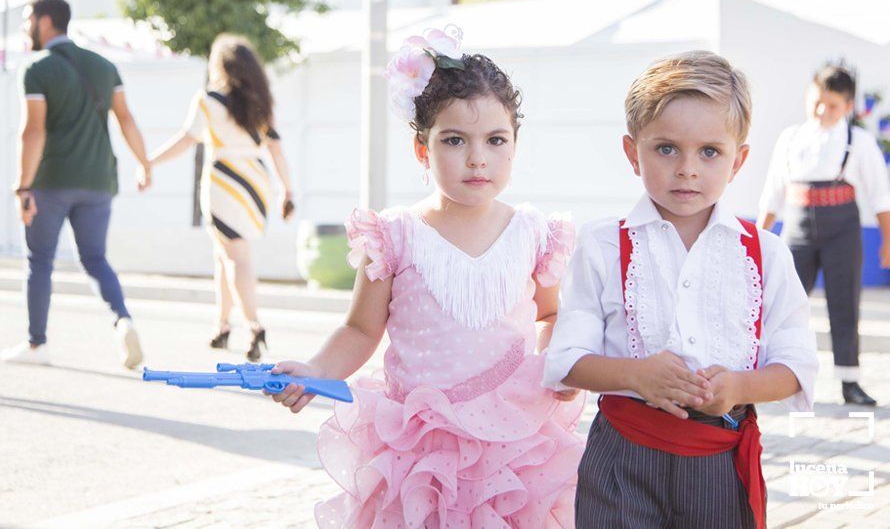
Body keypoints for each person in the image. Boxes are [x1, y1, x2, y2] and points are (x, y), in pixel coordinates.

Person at [268, 27, 585, 527]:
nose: (478, 157)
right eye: (455, 140)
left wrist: (558, 360)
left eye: (495, 140)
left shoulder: (534, 233)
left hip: (512, 437)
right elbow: (360, 330)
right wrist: (318, 370)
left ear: (515, 145)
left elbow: (549, 313)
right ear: (423, 149)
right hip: (419, 446)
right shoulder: (394, 235)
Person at [543, 51, 819, 529]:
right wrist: (636, 376)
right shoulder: (604, 244)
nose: (688, 169)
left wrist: (738, 386)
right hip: (621, 463)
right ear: (633, 153)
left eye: (709, 151)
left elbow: (797, 368)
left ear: (739, 160)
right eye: (666, 148)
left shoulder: (767, 255)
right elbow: (565, 361)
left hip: (718, 466)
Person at [1, 0, 151, 369]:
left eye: (28, 18)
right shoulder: (104, 65)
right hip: (99, 179)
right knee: (95, 258)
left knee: (40, 260)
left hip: (52, 181)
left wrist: (23, 186)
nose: (25, 26)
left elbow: (33, 132)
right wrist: (145, 164)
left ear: (47, 21)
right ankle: (122, 318)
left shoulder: (37, 68)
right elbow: (126, 119)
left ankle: (37, 344)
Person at [147, 34, 294, 361]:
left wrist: (148, 161)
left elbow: (186, 140)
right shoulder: (261, 102)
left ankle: (253, 326)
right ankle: (223, 326)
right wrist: (288, 189)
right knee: (225, 254)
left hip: (224, 181)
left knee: (234, 256)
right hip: (256, 182)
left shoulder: (208, 99)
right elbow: (277, 149)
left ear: (220, 67)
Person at [757, 64, 890, 407]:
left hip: (842, 229)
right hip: (797, 228)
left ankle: (849, 381)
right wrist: (757, 238)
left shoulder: (858, 142)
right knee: (781, 302)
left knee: (844, 304)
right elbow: (773, 192)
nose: (821, 111)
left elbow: (880, 196)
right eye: (816, 102)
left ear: (848, 107)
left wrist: (888, 241)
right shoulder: (790, 138)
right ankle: (771, 372)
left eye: (832, 106)